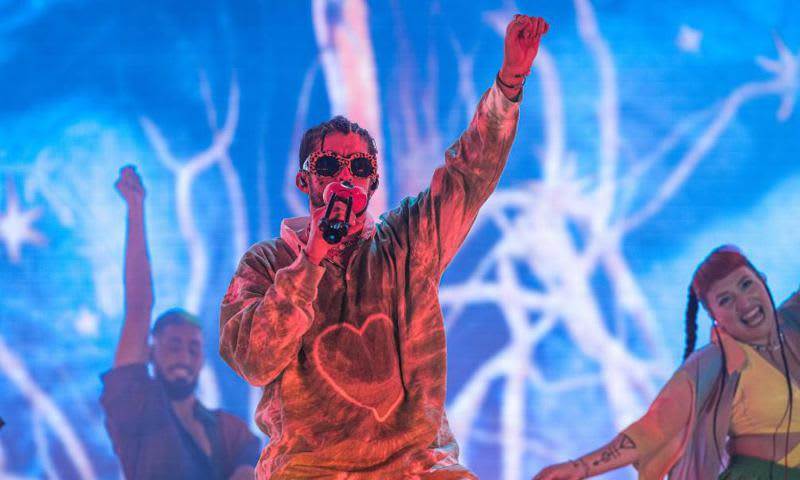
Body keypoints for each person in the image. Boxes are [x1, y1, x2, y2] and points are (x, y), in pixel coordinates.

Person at [218, 14, 549, 479]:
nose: (344, 178)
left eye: (358, 169)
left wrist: (509, 83)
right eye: (328, 165)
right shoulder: (267, 263)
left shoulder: (405, 243)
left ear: (372, 184)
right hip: (309, 468)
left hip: (415, 464)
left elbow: (468, 175)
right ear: (304, 180)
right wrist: (310, 260)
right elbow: (254, 361)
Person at [533, 245, 800, 480]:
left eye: (746, 284)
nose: (744, 303)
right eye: (725, 300)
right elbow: (655, 428)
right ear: (714, 316)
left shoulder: (793, 322)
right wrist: (580, 467)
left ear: (762, 280)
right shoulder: (714, 364)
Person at [101, 166, 260, 479]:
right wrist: (136, 210)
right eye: (173, 345)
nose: (184, 357)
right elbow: (138, 308)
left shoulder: (231, 432)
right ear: (151, 352)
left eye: (193, 348)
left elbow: (248, 467)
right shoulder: (136, 403)